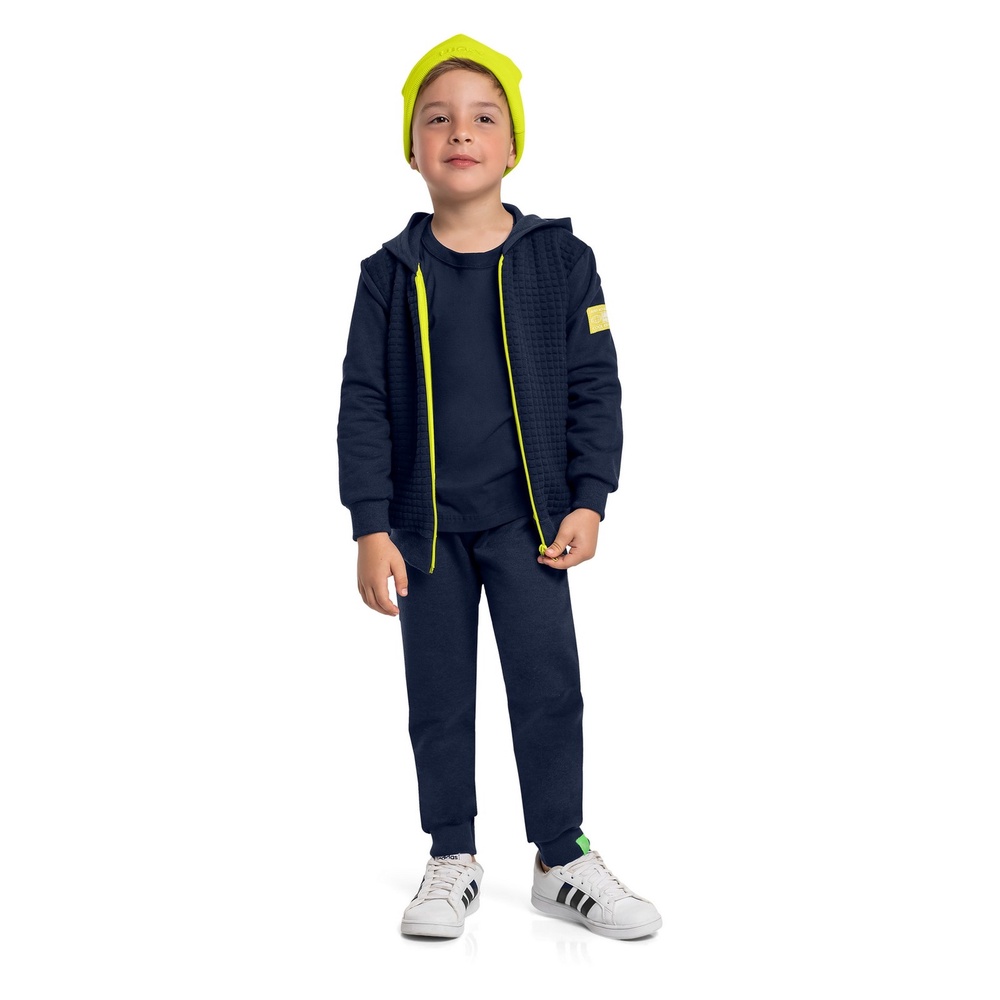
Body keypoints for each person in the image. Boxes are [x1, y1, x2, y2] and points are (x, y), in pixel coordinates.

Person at [337, 33, 661, 941]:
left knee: (548, 689)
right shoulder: (387, 275)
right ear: (412, 149)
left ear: (513, 145)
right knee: (439, 699)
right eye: (437, 119)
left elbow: (596, 384)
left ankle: (562, 858)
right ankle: (452, 855)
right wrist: (369, 524)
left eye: (484, 117)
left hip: (531, 525)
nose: (460, 133)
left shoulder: (563, 261)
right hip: (425, 533)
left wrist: (590, 496)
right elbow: (363, 402)